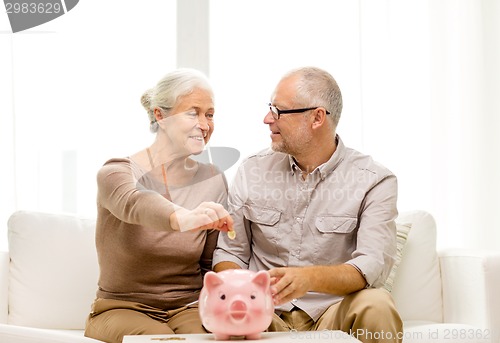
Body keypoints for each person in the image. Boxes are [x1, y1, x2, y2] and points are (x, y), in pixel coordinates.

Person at [213, 67, 403, 343]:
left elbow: (370, 265)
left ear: (317, 117)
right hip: (263, 314)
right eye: (270, 108)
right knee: (218, 312)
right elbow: (230, 252)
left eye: (279, 111)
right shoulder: (252, 171)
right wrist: (244, 294)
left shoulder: (375, 181)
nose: (268, 119)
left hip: (333, 310)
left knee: (377, 304)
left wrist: (309, 278)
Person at [85, 68, 234, 343]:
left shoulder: (212, 178)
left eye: (209, 114)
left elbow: (209, 262)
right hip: (122, 307)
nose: (204, 124)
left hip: (187, 307)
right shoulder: (116, 172)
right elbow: (134, 202)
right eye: (193, 113)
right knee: (160, 340)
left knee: (221, 338)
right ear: (160, 115)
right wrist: (182, 217)